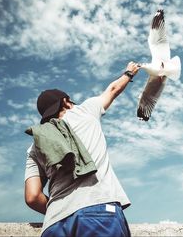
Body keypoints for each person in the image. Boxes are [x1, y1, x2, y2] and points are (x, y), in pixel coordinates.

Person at [24, 62, 140, 237]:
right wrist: (129, 73)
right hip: (97, 210)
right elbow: (113, 89)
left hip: (54, 224)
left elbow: (32, 197)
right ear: (66, 102)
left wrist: (60, 210)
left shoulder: (35, 145)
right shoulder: (85, 111)